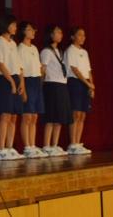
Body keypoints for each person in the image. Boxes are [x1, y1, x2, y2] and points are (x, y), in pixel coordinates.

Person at [0, 13, 24, 161]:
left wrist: (21, 82)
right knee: (5, 115)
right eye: (13, 24)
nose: (15, 27)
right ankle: (1, 149)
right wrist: (11, 81)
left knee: (13, 116)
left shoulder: (13, 43)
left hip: (15, 78)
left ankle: (10, 148)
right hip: (4, 79)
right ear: (6, 25)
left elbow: (18, 66)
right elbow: (0, 63)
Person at [40, 24, 72, 157]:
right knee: (51, 117)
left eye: (61, 32)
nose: (61, 35)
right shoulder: (46, 51)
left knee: (59, 117)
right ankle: (46, 145)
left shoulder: (60, 51)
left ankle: (54, 145)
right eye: (58, 32)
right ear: (51, 35)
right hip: (51, 85)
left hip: (62, 85)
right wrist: (41, 85)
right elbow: (43, 69)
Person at [16, 21, 45, 158]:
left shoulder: (34, 48)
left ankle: (32, 145)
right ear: (23, 31)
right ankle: (27, 146)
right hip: (27, 81)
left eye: (33, 29)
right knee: (27, 116)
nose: (33, 31)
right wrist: (23, 87)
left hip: (36, 81)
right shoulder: (20, 48)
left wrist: (42, 74)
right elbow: (20, 69)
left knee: (34, 116)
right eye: (29, 29)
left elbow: (39, 68)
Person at [65, 26, 94, 155]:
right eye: (80, 35)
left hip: (85, 83)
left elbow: (89, 71)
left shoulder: (85, 52)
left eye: (84, 35)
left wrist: (91, 85)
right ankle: (73, 144)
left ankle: (78, 142)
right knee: (76, 113)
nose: (83, 37)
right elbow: (74, 70)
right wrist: (87, 83)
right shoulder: (70, 50)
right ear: (73, 37)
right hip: (75, 82)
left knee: (82, 114)